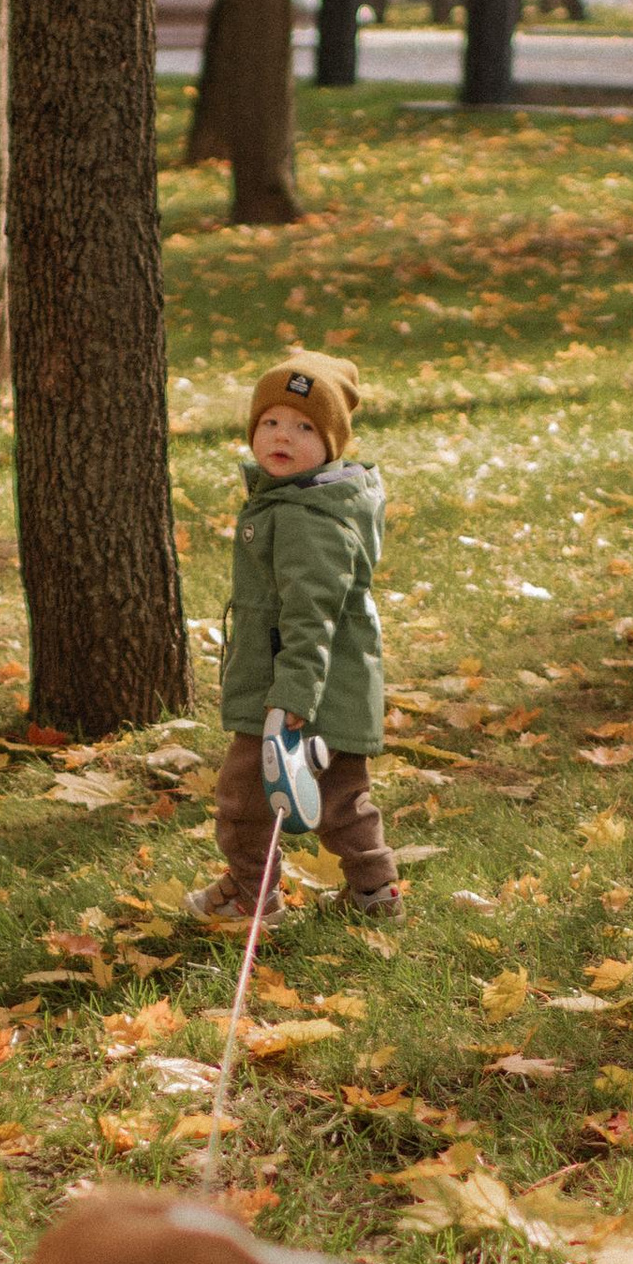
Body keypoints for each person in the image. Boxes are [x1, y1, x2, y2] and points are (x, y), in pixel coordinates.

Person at [188, 349, 402, 928]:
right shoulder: (301, 501)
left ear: (331, 444)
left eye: (305, 427)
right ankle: (375, 892)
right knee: (342, 799)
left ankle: (249, 894)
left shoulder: (308, 518)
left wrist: (290, 700)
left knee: (244, 800)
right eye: (271, 421)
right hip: (330, 685)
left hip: (291, 692)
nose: (283, 435)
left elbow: (312, 617)